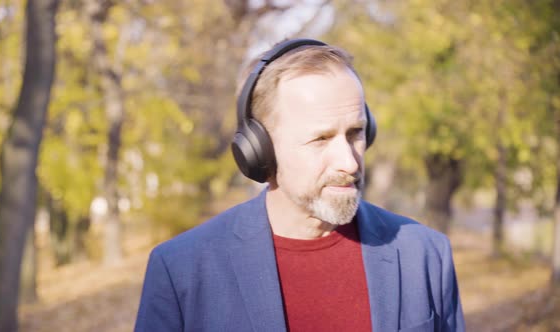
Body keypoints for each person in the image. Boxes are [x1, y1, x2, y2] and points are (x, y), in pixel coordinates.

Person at [134, 38, 465, 332]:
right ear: (259, 149)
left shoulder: (424, 255)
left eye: (355, 133)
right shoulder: (182, 270)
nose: (349, 162)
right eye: (320, 138)